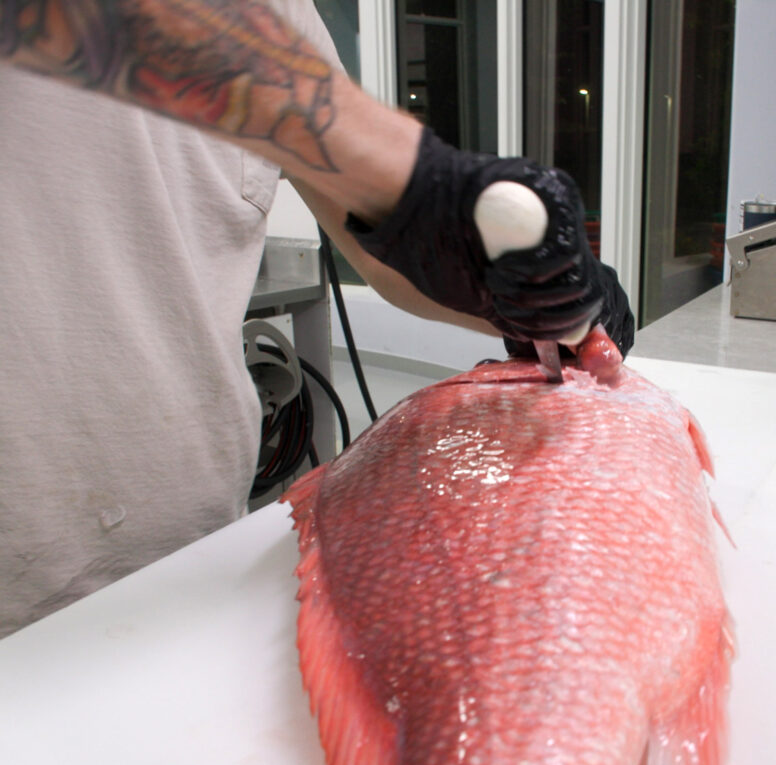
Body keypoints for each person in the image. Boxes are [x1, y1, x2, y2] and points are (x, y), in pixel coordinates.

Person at [0, 0, 634, 638]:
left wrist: (508, 303)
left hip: (192, 555)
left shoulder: (284, 11)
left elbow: (379, 253)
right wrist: (413, 174)